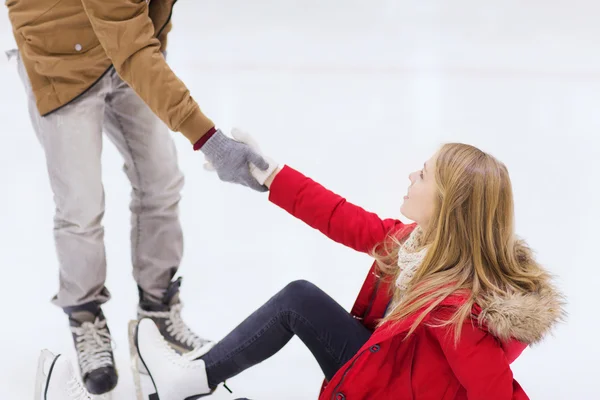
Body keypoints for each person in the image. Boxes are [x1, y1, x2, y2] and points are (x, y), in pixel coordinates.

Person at [141, 137, 564, 399]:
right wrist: (271, 176)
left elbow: (493, 389)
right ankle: (192, 380)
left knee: (298, 300)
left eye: (425, 174)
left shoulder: (453, 307)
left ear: (448, 204)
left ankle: (193, 379)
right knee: (300, 298)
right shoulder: (414, 245)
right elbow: (342, 217)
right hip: (382, 373)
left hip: (385, 390)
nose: (412, 174)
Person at [5, 1, 272, 395]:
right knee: (81, 204)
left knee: (161, 180)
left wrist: (155, 48)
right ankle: (85, 317)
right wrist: (210, 141)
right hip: (59, 54)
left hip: (124, 48)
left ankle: (157, 312)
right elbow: (131, 46)